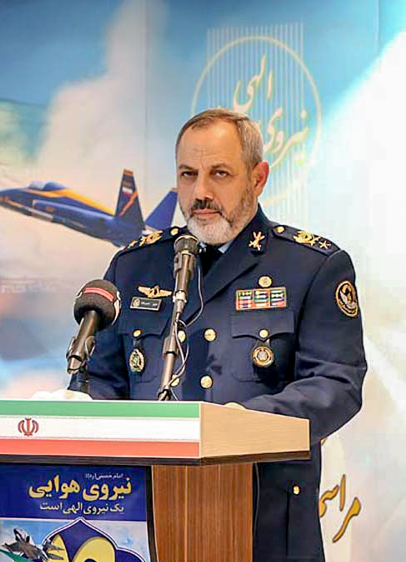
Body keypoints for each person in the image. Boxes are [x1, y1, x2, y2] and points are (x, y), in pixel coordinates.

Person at [76, 108, 366, 561]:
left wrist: (238, 426)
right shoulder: (135, 267)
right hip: (140, 519)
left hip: (263, 519)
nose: (201, 193)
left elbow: (336, 385)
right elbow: (102, 379)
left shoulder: (311, 266)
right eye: (188, 175)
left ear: (258, 177)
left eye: (220, 174)